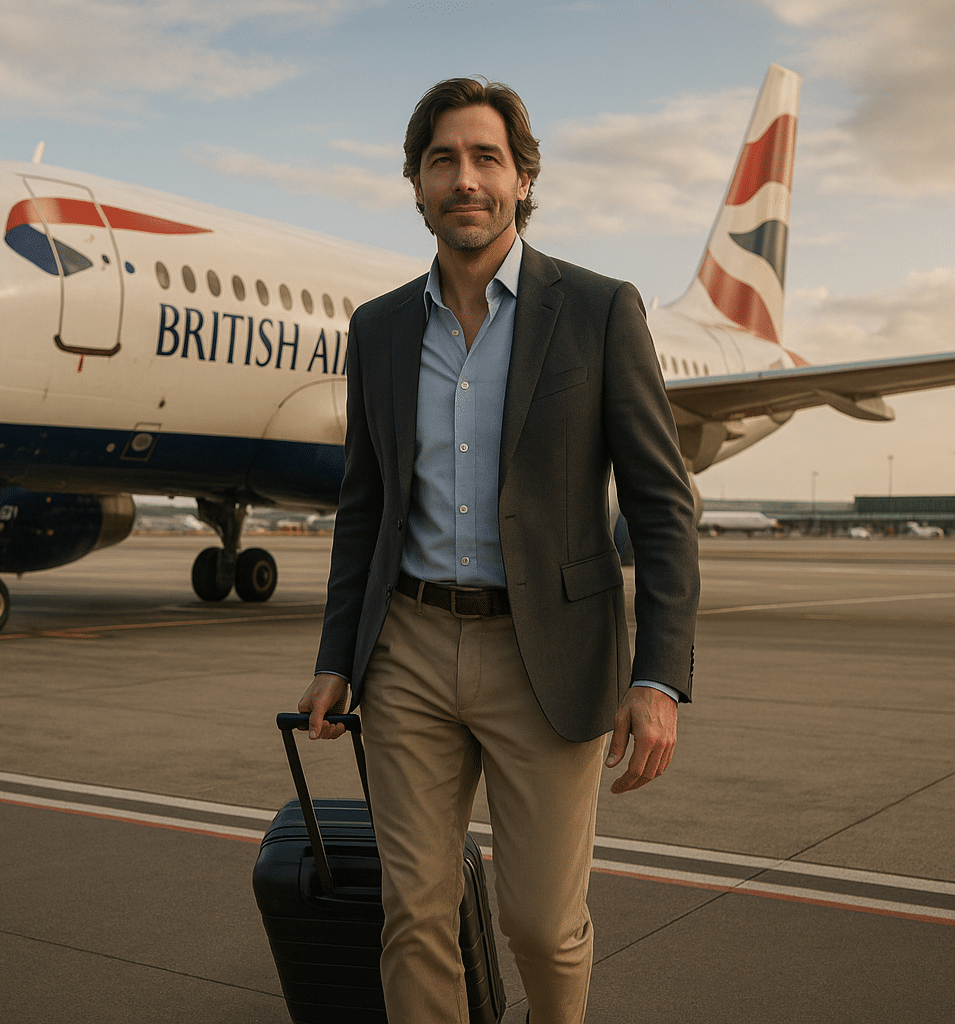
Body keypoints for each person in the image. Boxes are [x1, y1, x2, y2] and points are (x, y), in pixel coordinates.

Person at [299, 77, 699, 1024]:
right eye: (443, 160)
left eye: (487, 159)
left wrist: (659, 678)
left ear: (523, 181)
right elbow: (366, 506)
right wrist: (333, 657)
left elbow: (661, 501)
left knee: (539, 922)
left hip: (547, 656)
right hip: (409, 649)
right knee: (416, 914)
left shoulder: (600, 311)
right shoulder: (381, 327)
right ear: (418, 185)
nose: (465, 180)